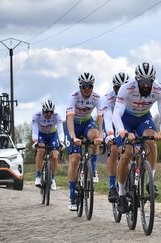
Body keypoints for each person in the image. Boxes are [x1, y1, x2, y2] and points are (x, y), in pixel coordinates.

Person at [112, 63, 161, 213]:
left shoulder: (160, 90)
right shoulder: (126, 88)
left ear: (153, 80)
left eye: (148, 82)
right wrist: (123, 132)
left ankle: (150, 181)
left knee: (151, 142)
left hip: (144, 118)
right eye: (142, 81)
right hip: (125, 119)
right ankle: (122, 194)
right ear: (136, 80)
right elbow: (116, 114)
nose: (145, 85)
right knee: (128, 153)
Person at [65, 72, 103, 211]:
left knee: (95, 135)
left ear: (93, 86)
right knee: (75, 159)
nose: (87, 89)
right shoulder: (73, 97)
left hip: (87, 123)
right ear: (80, 86)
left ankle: (93, 167)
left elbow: (100, 117)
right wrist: (74, 137)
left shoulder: (97, 97)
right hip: (73, 125)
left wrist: (100, 135)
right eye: (84, 86)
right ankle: (72, 195)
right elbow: (69, 118)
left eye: (89, 86)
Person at [101, 72, 129, 203]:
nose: (120, 91)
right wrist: (110, 134)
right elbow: (107, 118)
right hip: (111, 123)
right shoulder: (108, 99)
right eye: (118, 88)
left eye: (123, 87)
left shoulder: (131, 95)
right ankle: (112, 186)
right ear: (114, 88)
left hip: (125, 122)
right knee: (113, 149)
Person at [32, 99, 63, 191]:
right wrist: (35, 141)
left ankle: (52, 178)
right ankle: (38, 175)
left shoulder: (57, 116)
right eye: (46, 112)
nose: (49, 114)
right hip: (41, 135)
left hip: (52, 135)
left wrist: (61, 141)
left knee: (55, 156)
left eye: (51, 112)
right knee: (40, 149)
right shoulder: (37, 115)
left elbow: (60, 130)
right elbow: (34, 130)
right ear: (42, 110)